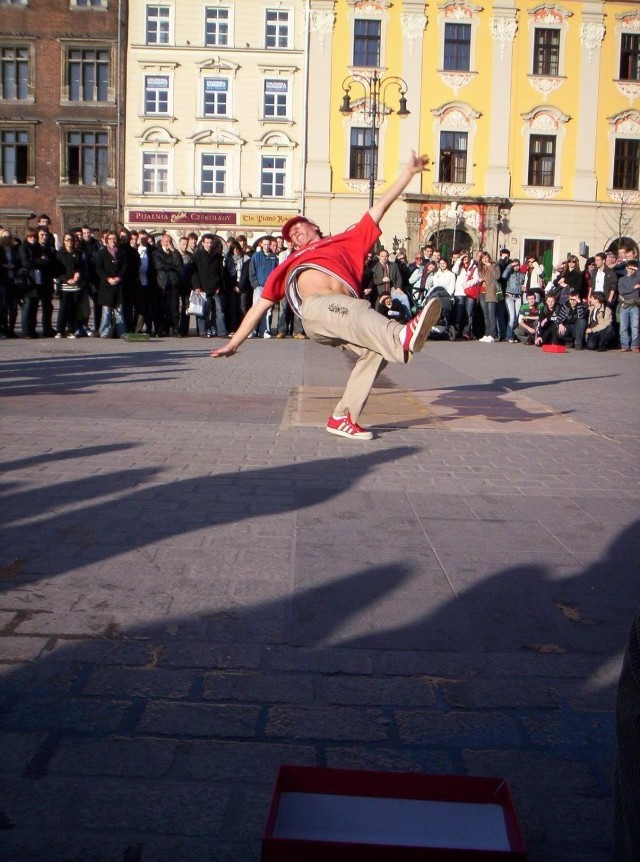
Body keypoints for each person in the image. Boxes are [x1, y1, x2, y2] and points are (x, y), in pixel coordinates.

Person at [211, 151, 441, 441]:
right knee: (368, 319)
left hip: (346, 315)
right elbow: (262, 304)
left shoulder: (347, 240)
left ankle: (342, 417)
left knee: (375, 353)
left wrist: (407, 174)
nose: (294, 234)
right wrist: (234, 342)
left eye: (298, 228)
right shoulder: (290, 262)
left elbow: (379, 207)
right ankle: (401, 335)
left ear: (314, 227)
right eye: (289, 235)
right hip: (318, 311)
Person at [248, 236, 277, 338]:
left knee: (266, 310)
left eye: (268, 244)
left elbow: (275, 273)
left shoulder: (274, 257)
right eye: (264, 244)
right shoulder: (256, 256)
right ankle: (252, 331)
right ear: (261, 245)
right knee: (256, 309)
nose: (266, 246)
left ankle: (264, 331)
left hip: (268, 287)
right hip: (258, 286)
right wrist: (255, 284)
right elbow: (252, 271)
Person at [617, 261, 640, 352]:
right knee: (623, 327)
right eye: (629, 268)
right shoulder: (622, 279)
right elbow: (622, 292)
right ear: (626, 268)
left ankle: (635, 345)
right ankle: (624, 345)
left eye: (633, 269)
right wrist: (634, 287)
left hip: (635, 305)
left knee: (635, 326)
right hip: (624, 305)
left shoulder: (637, 278)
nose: (631, 270)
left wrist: (636, 269)